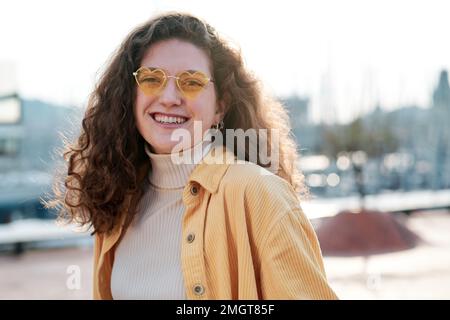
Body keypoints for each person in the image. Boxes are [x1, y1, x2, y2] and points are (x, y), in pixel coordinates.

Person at [51, 11, 338, 300]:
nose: (169, 97)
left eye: (191, 82)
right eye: (152, 79)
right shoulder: (117, 201)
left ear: (219, 107)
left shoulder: (260, 194)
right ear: (130, 95)